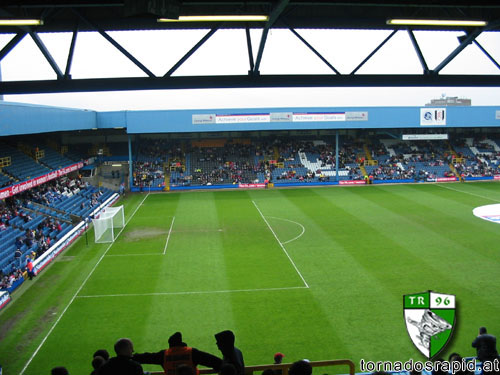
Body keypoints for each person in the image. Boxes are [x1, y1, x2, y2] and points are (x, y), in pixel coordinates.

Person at [133, 331, 222, 375]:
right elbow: (215, 362)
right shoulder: (192, 352)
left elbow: (146, 357)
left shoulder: (164, 355)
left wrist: (132, 356)